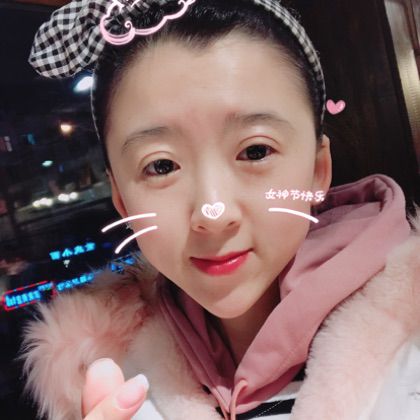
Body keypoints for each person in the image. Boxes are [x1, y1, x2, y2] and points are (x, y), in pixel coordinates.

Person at [18, 0, 420, 419]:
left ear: (318, 171)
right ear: (121, 198)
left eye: (256, 151)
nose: (213, 212)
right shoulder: (110, 385)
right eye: (161, 166)